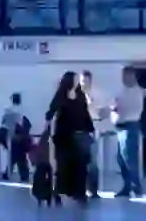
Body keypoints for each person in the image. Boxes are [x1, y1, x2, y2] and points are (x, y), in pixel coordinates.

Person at [46, 71, 93, 204]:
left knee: (81, 165)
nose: (77, 82)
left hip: (79, 134)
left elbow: (85, 113)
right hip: (63, 137)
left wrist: (90, 128)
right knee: (63, 166)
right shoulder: (61, 95)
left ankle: (80, 192)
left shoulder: (80, 95)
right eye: (75, 79)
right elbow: (51, 111)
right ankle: (59, 192)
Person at [113, 66, 145, 197]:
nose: (124, 79)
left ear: (132, 76)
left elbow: (130, 109)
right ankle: (127, 186)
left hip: (130, 125)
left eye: (127, 76)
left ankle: (136, 185)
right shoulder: (122, 91)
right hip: (120, 126)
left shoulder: (137, 92)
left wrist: (117, 108)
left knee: (129, 158)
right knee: (120, 159)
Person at [0, 93, 31, 182]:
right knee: (19, 156)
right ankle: (23, 174)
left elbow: (4, 121)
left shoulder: (9, 110)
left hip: (12, 134)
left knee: (15, 155)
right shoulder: (23, 110)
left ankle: (8, 173)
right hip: (21, 135)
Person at [79, 70, 101, 198]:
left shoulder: (95, 96)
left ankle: (93, 190)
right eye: (82, 82)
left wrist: (91, 103)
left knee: (92, 163)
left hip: (91, 132)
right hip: (78, 132)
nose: (84, 84)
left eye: (86, 82)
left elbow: (98, 115)